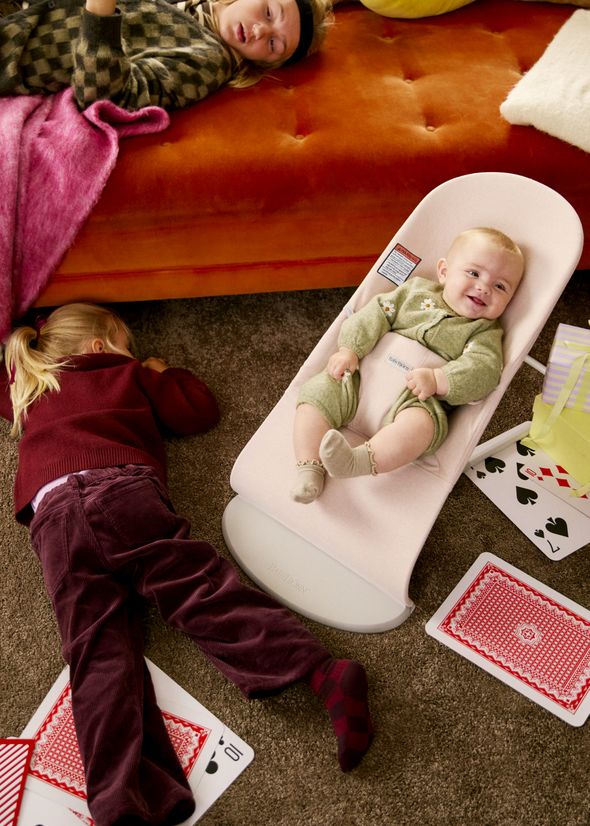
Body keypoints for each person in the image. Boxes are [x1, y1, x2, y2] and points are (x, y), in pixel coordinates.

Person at [0, 302, 373, 826]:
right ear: (102, 347)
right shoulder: (127, 372)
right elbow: (198, 411)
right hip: (121, 490)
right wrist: (159, 370)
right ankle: (321, 673)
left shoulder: (30, 387)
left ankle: (118, 800)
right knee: (198, 592)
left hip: (55, 518)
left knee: (96, 654)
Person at [291, 226, 525, 503]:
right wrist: (349, 350)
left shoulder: (484, 333)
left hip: (413, 401)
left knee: (420, 429)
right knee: (315, 396)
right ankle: (310, 469)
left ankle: (355, 462)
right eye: (473, 273)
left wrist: (439, 379)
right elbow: (377, 312)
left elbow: (483, 371)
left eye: (500, 286)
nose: (484, 287)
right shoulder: (415, 292)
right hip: (357, 380)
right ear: (444, 271)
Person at [0, 0, 332, 111]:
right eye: (270, 12)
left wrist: (100, 7)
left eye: (274, 44)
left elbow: (105, 96)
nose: (261, 31)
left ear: (267, 63)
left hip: (13, 47)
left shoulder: (206, 61)